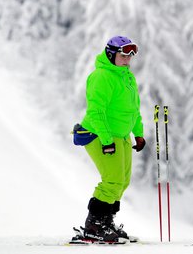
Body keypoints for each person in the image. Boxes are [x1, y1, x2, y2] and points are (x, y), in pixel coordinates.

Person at [73, 36, 146, 243]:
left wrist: (138, 133)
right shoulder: (101, 76)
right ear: (111, 54)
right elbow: (96, 112)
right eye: (123, 56)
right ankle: (93, 226)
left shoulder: (127, 77)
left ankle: (105, 222)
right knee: (112, 180)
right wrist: (106, 140)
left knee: (122, 182)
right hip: (99, 134)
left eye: (129, 57)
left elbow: (133, 110)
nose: (127, 60)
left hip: (121, 135)